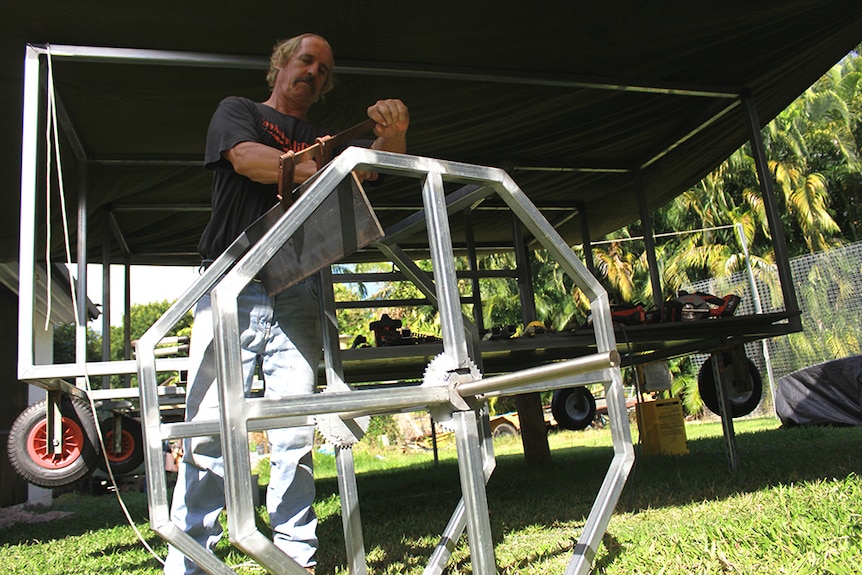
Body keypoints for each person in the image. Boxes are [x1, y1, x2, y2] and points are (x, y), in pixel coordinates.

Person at [164, 33, 409, 575]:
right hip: (234, 275)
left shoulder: (326, 139)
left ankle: (296, 559)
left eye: (323, 70)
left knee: (294, 427)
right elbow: (248, 160)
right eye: (305, 61)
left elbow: (372, 170)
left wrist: (395, 134)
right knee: (209, 426)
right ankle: (188, 563)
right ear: (280, 64)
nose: (313, 73)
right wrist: (327, 172)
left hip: (301, 280)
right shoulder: (240, 111)